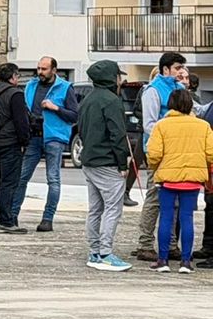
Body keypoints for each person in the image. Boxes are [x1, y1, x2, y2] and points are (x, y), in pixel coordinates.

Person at [146, 88, 213, 274]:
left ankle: (163, 260)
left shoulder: (161, 125)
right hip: (192, 180)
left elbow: (154, 154)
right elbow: (211, 153)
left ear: (171, 105)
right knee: (187, 218)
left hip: (167, 179)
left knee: (166, 218)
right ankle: (185, 262)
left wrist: (155, 167)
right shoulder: (203, 126)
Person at [77, 60, 133, 272]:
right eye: (119, 76)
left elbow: (81, 130)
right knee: (112, 208)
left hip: (89, 160)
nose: (121, 80)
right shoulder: (111, 101)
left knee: (95, 209)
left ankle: (94, 251)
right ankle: (106, 253)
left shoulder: (87, 100)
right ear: (112, 78)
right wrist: (122, 162)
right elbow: (118, 134)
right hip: (107, 161)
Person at [10, 57, 77, 233]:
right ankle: (12, 215)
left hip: (54, 137)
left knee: (53, 179)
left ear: (54, 70)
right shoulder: (31, 86)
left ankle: (48, 218)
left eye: (44, 69)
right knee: (22, 176)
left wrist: (56, 108)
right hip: (33, 137)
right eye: (39, 68)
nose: (40, 72)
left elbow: (74, 115)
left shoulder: (65, 88)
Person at [133, 52, 189, 261]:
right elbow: (149, 125)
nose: (180, 72)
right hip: (158, 152)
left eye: (182, 68)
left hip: (178, 151)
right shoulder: (153, 91)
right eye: (176, 68)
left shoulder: (179, 88)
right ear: (165, 69)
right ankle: (145, 243)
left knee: (174, 200)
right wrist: (174, 129)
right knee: (155, 198)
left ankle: (171, 244)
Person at [0, 62, 33, 234]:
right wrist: (25, 141)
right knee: (9, 182)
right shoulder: (15, 94)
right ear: (13, 77)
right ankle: (7, 220)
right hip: (10, 143)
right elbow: (21, 121)